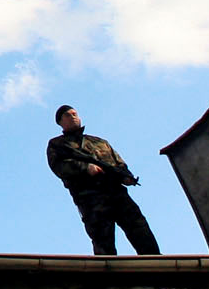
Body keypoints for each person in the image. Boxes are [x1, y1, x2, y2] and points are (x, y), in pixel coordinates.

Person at [46, 104, 161, 256]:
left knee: (139, 229)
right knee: (103, 241)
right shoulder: (57, 144)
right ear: (60, 122)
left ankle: (155, 265)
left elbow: (119, 163)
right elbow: (59, 166)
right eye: (68, 115)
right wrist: (85, 168)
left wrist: (126, 176)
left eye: (75, 114)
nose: (73, 116)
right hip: (90, 198)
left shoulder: (99, 142)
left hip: (116, 193)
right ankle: (107, 275)